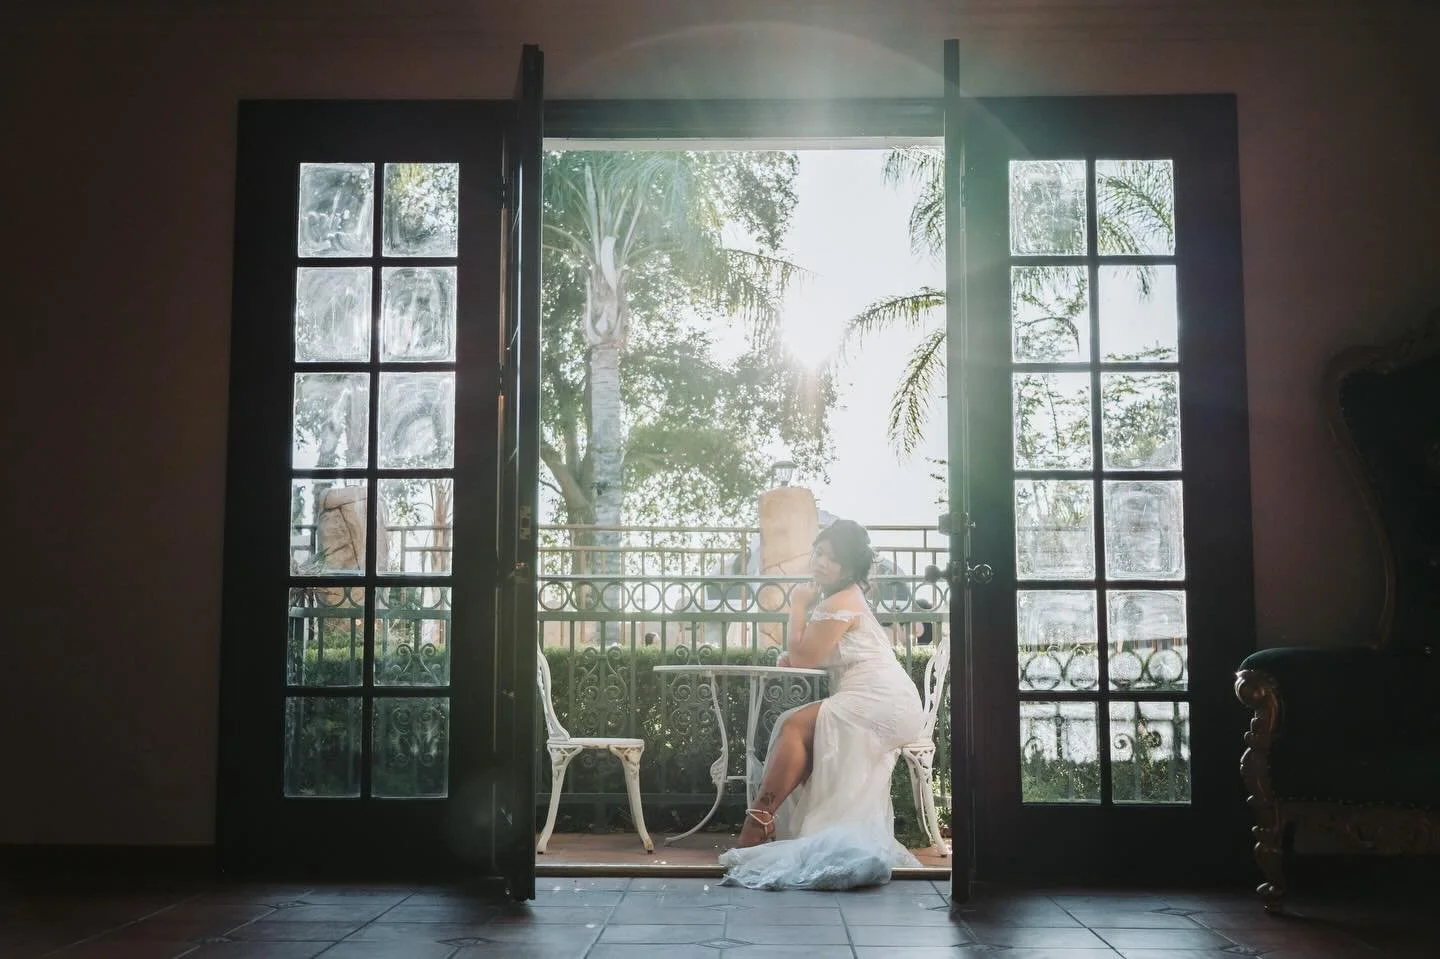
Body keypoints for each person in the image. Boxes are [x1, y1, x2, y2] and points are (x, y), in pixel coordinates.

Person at [718, 519, 926, 889]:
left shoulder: (839, 601)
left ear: (849, 568)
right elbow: (809, 653)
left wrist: (797, 605)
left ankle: (758, 820)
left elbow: (803, 659)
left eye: (833, 559)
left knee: (795, 726)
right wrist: (795, 651)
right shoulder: (841, 599)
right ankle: (761, 819)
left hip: (881, 698)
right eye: (819, 552)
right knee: (793, 724)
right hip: (879, 698)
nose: (821, 562)